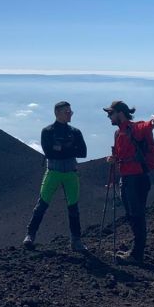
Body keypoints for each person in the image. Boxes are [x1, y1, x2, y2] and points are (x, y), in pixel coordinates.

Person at [23, 101, 88, 252]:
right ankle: (30, 235)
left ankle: (76, 241)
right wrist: (70, 148)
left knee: (73, 207)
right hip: (54, 172)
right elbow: (50, 153)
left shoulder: (74, 131)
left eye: (70, 112)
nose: (70, 114)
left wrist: (60, 148)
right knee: (42, 204)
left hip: (69, 173)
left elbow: (83, 153)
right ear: (57, 113)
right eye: (67, 112)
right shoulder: (48, 131)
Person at [104, 100, 154, 264]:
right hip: (128, 178)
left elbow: (146, 126)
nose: (109, 117)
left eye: (111, 113)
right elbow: (120, 156)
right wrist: (113, 161)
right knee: (132, 214)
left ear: (120, 113)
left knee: (137, 215)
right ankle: (136, 250)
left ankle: (137, 255)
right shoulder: (119, 133)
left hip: (137, 179)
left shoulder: (133, 128)